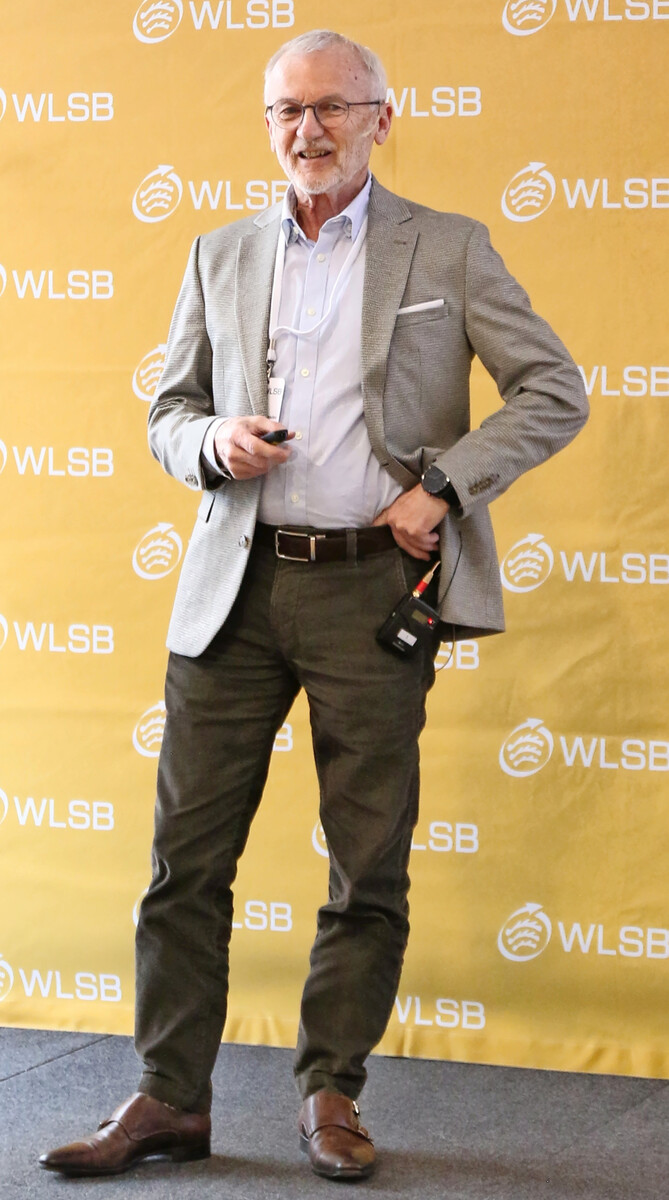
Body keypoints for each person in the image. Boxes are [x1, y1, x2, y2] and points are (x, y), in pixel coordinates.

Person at [40, 28, 588, 1182]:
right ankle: (169, 1097)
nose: (310, 130)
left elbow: (554, 388)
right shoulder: (221, 252)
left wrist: (445, 487)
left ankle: (331, 1092)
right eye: (288, 111)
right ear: (269, 125)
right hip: (234, 589)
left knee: (366, 862)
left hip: (371, 590)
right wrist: (213, 442)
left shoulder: (448, 247)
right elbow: (168, 413)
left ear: (382, 118)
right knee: (185, 861)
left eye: (333, 107)